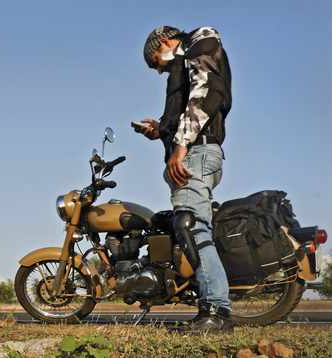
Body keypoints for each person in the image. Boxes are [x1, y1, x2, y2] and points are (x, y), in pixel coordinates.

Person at [136, 26, 234, 334]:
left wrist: (180, 148)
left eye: (156, 62)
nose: (159, 69)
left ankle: (215, 311)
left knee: (190, 225)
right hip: (195, 151)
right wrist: (162, 130)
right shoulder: (188, 57)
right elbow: (190, 103)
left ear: (164, 42)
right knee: (187, 223)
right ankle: (214, 308)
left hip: (196, 152)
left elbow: (205, 93)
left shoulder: (200, 40)